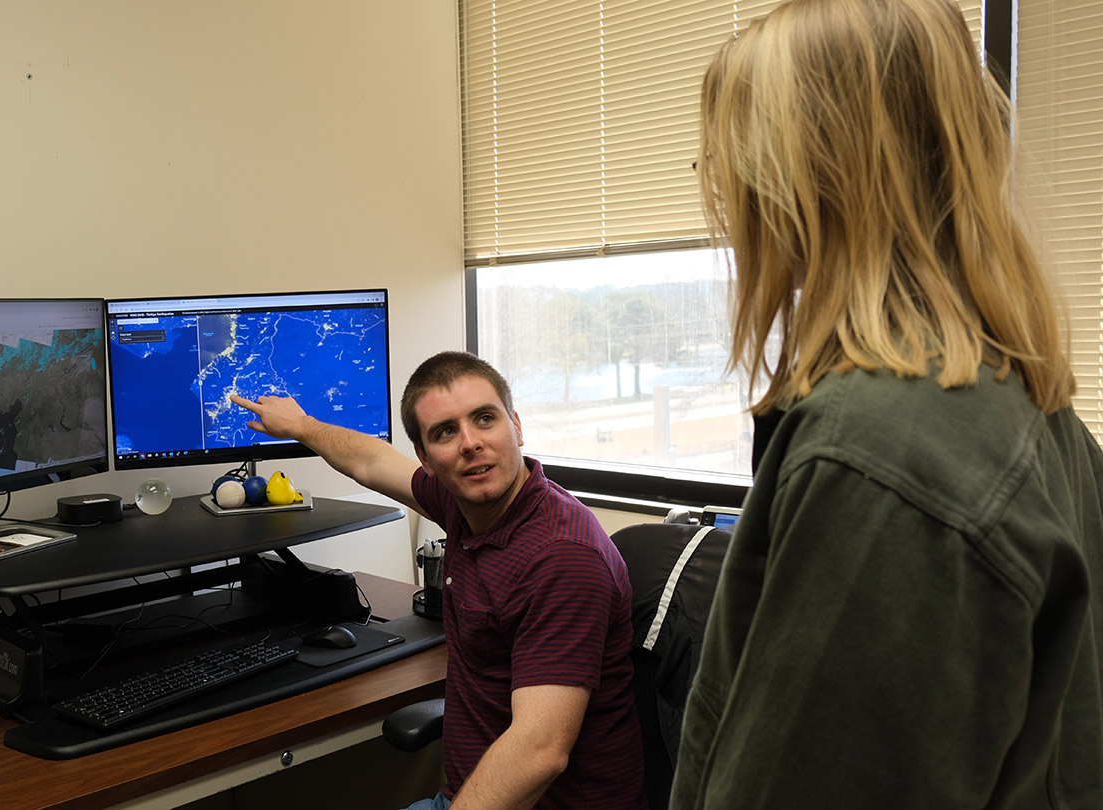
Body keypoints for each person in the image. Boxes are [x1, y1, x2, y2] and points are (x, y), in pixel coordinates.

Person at [673, 0, 1103, 807]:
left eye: (727, 162)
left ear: (806, 174)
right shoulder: (1018, 395)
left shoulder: (879, 457)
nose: (722, 196)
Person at [231, 351, 647, 810]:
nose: (470, 443)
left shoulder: (562, 558)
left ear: (517, 427)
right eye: (446, 432)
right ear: (426, 459)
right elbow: (371, 461)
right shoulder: (464, 503)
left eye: (484, 419)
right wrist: (302, 426)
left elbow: (538, 753)